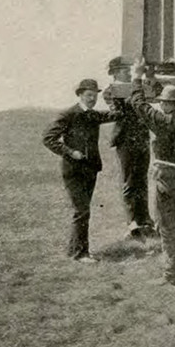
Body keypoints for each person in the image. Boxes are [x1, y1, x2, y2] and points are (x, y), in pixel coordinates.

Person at [128, 58, 175, 285]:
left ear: (168, 104)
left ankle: (172, 274)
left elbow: (139, 105)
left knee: (168, 229)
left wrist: (136, 78)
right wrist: (152, 80)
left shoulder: (164, 121)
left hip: (167, 179)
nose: (160, 105)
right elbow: (158, 106)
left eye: (162, 102)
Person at [43, 78, 118, 262]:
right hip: (74, 170)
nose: (92, 99)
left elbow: (115, 115)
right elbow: (48, 138)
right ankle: (80, 254)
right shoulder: (68, 114)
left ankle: (76, 250)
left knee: (83, 211)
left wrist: (113, 100)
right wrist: (70, 152)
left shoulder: (93, 115)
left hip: (90, 169)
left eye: (95, 95)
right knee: (81, 211)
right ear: (80, 95)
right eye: (89, 95)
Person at [104, 56, 155, 238]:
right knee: (129, 182)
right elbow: (123, 109)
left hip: (141, 138)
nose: (128, 72)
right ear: (115, 72)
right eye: (124, 69)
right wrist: (138, 84)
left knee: (142, 180)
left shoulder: (135, 87)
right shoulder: (110, 91)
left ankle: (145, 219)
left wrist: (147, 79)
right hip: (125, 140)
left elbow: (151, 94)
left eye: (128, 69)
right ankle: (132, 221)